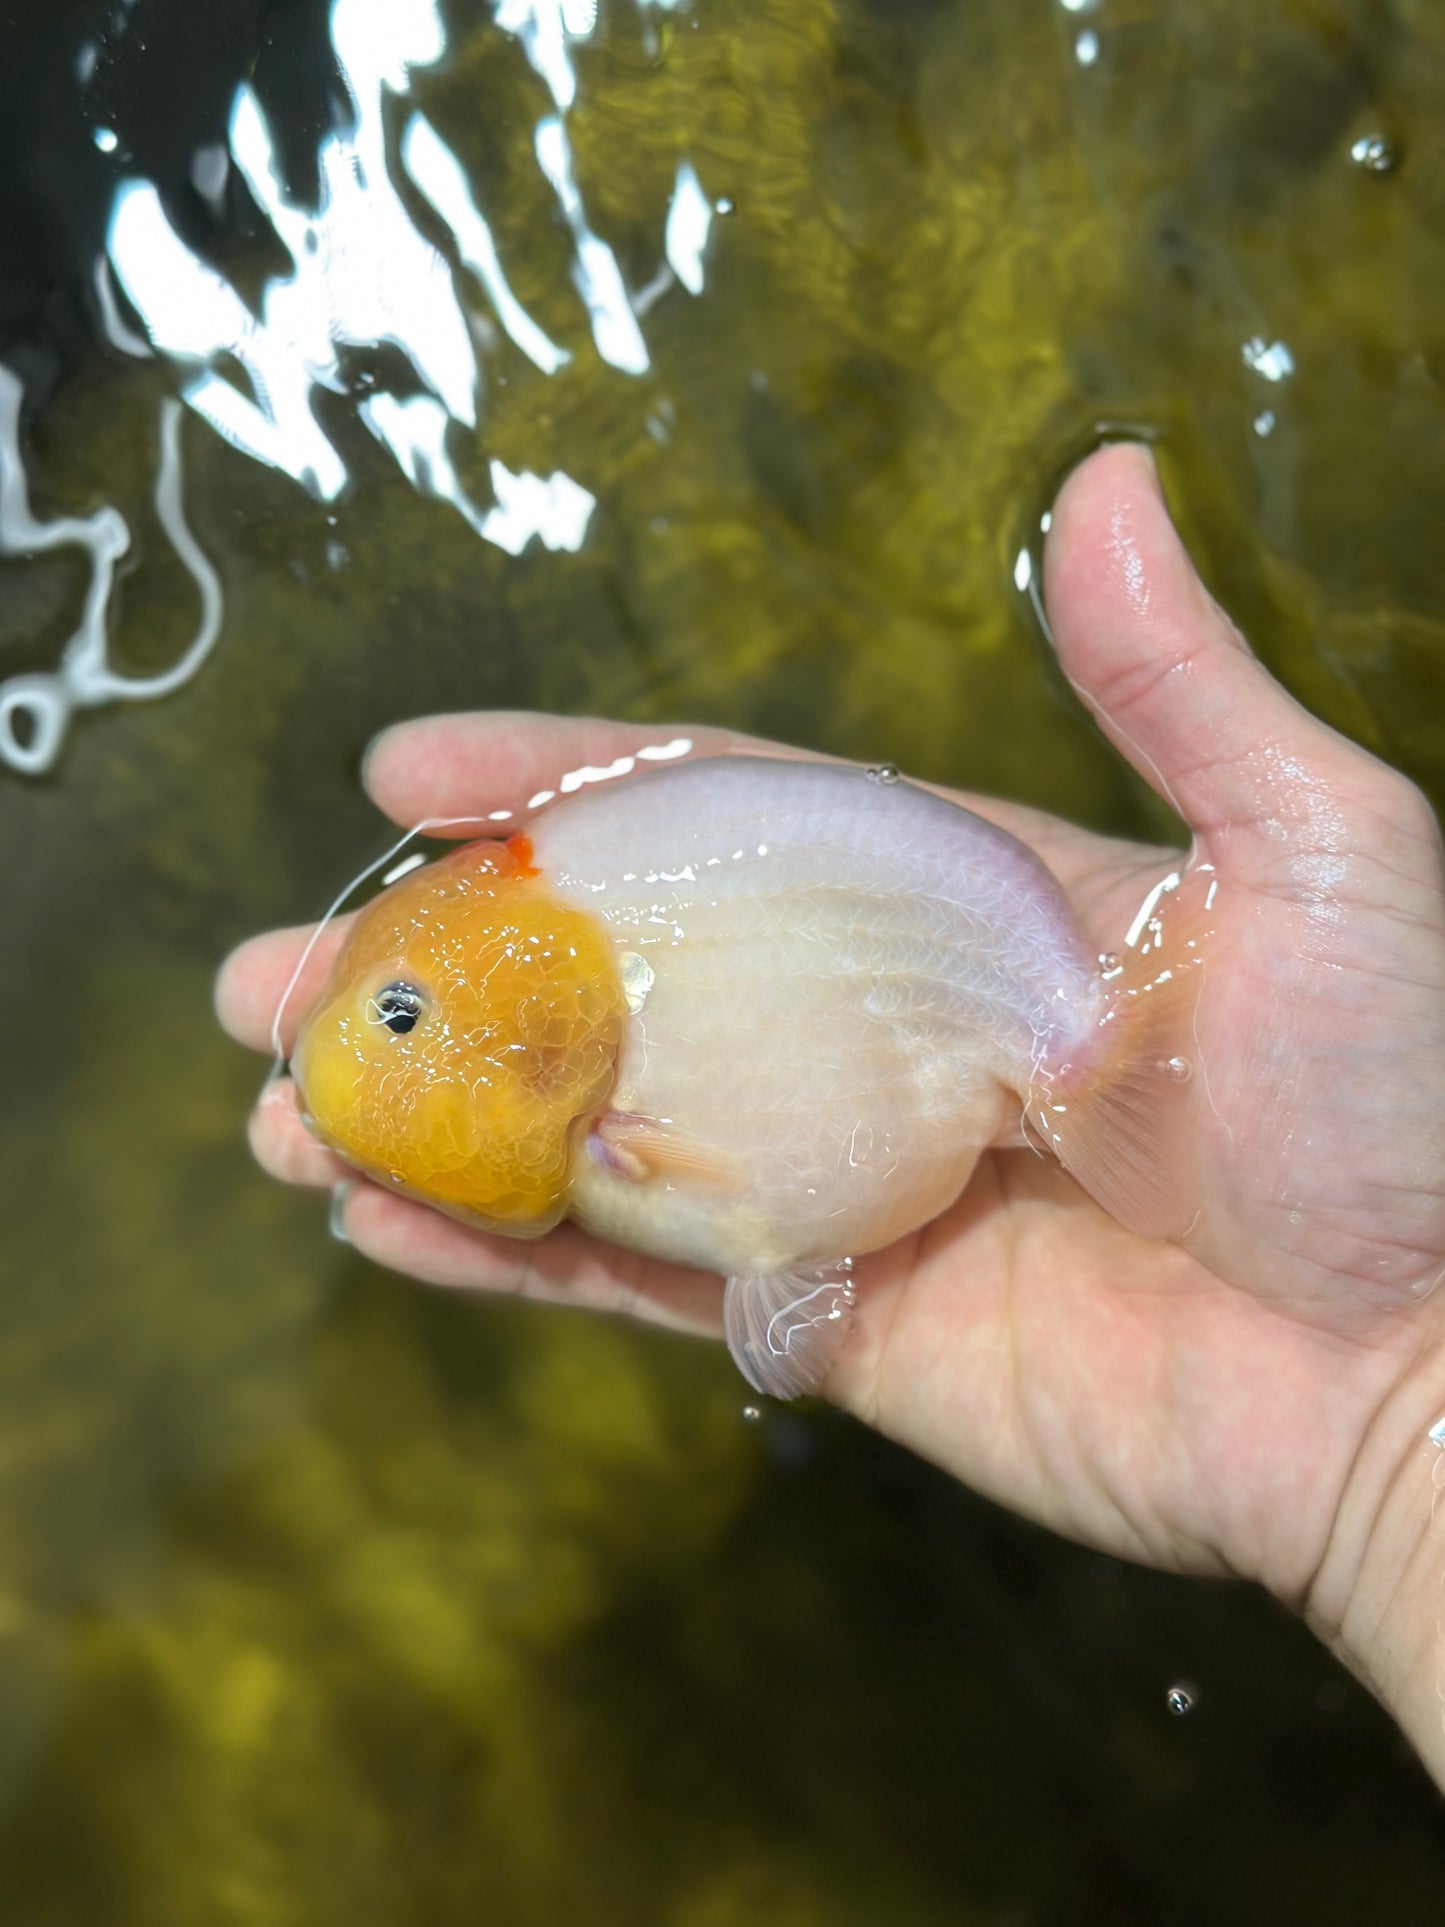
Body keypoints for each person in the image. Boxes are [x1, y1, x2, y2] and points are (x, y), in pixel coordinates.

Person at [216, 443, 1445, 1789]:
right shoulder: (593, 1070)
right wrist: (1383, 1454)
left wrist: (1400, 1396)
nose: (371, 1044)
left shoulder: (604, 1051)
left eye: (398, 1015)